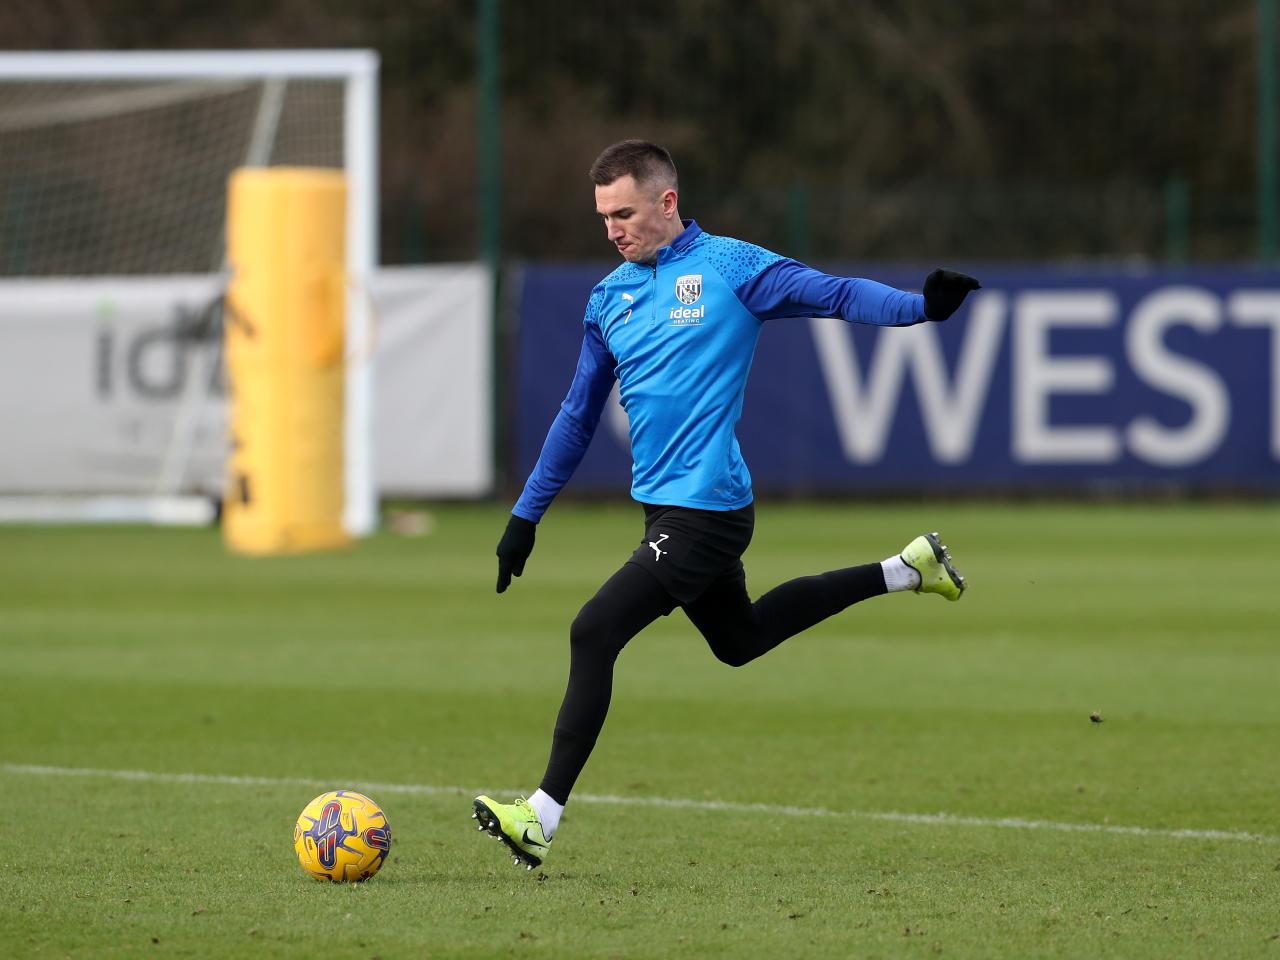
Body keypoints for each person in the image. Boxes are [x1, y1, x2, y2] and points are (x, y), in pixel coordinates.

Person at [472, 140, 979, 871]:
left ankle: (540, 816)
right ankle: (906, 569)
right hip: (663, 511)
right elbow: (577, 416)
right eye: (603, 217)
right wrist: (526, 516)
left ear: (667, 201)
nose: (613, 230)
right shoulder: (607, 298)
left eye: (624, 212)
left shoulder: (733, 268)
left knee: (593, 632)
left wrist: (921, 309)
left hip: (707, 510)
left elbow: (833, 293)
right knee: (739, 641)